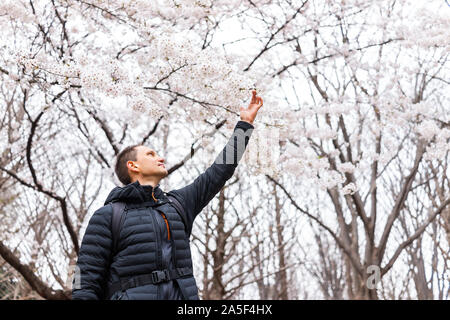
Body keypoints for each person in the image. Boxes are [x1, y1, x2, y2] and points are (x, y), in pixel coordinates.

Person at [71, 90, 263, 300]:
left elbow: (219, 172)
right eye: (150, 154)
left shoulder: (178, 205)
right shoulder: (108, 215)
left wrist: (244, 126)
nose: (160, 157)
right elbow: (84, 280)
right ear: (132, 165)